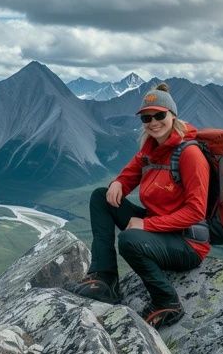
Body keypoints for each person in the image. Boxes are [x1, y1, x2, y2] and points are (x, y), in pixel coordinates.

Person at [68, 83, 210, 329]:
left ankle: (168, 303)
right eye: (147, 117)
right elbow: (129, 175)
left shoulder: (190, 155)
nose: (153, 122)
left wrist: (146, 224)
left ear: (173, 116)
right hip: (160, 232)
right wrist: (119, 183)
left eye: (159, 115)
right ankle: (105, 279)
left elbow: (196, 211)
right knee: (101, 196)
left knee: (130, 239)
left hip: (187, 242)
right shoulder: (151, 149)